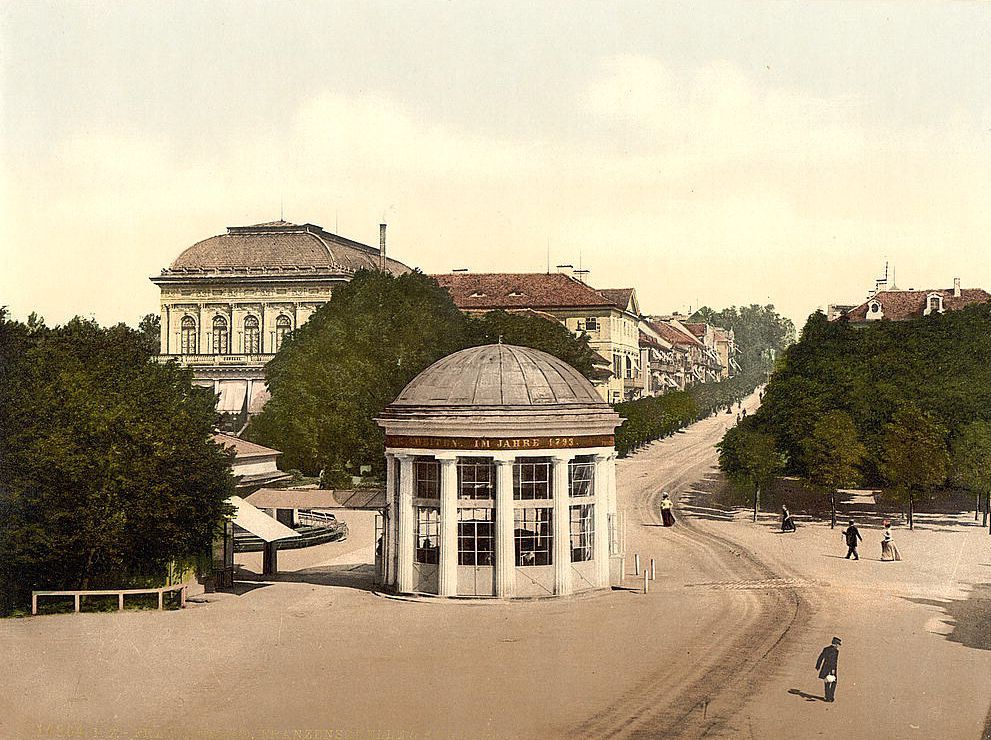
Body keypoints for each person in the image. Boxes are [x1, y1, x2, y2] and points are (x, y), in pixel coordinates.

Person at [815, 637, 842, 702]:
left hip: (825, 668)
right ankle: (831, 697)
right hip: (831, 669)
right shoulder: (835, 651)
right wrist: (832, 669)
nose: (838, 646)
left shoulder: (826, 649)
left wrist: (818, 665)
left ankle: (827, 697)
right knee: (833, 682)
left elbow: (821, 657)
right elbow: (832, 661)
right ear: (835, 644)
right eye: (838, 644)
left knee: (827, 682)